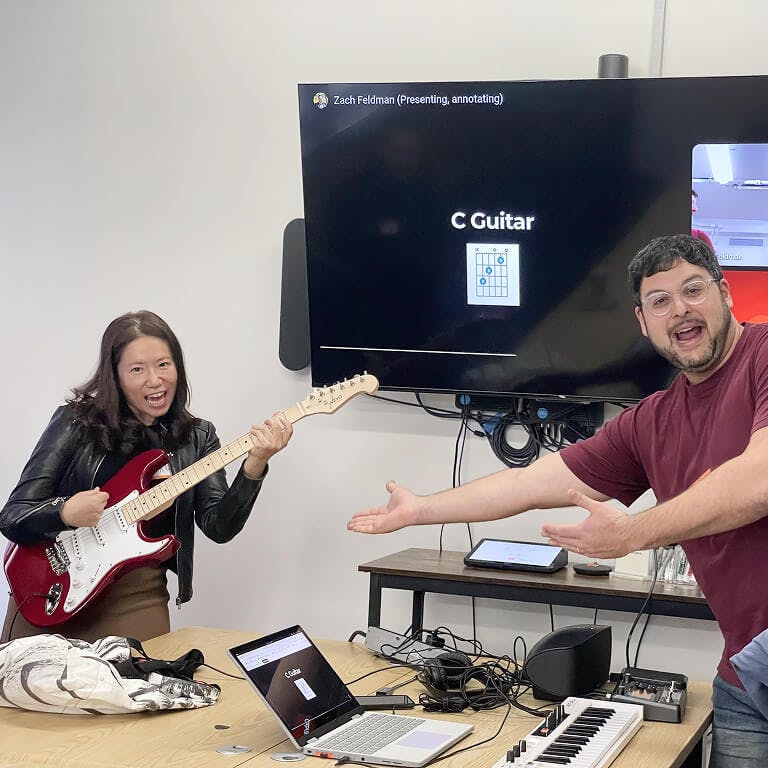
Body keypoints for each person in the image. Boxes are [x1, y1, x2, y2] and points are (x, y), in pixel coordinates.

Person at [348, 234, 768, 767]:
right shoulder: (654, 419)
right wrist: (421, 509)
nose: (679, 309)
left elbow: (760, 479)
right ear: (643, 322)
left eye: (693, 290)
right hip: (744, 674)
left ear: (726, 294)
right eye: (660, 301)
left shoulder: (764, 357)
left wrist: (632, 533)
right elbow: (537, 481)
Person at [1, 310, 293, 643]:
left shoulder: (196, 436)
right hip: (51, 585)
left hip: (136, 597)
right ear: (116, 376)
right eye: (137, 369)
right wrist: (65, 513)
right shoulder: (75, 422)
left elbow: (219, 527)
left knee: (137, 690)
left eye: (164, 365)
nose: (155, 380)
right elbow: (13, 516)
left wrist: (255, 464)